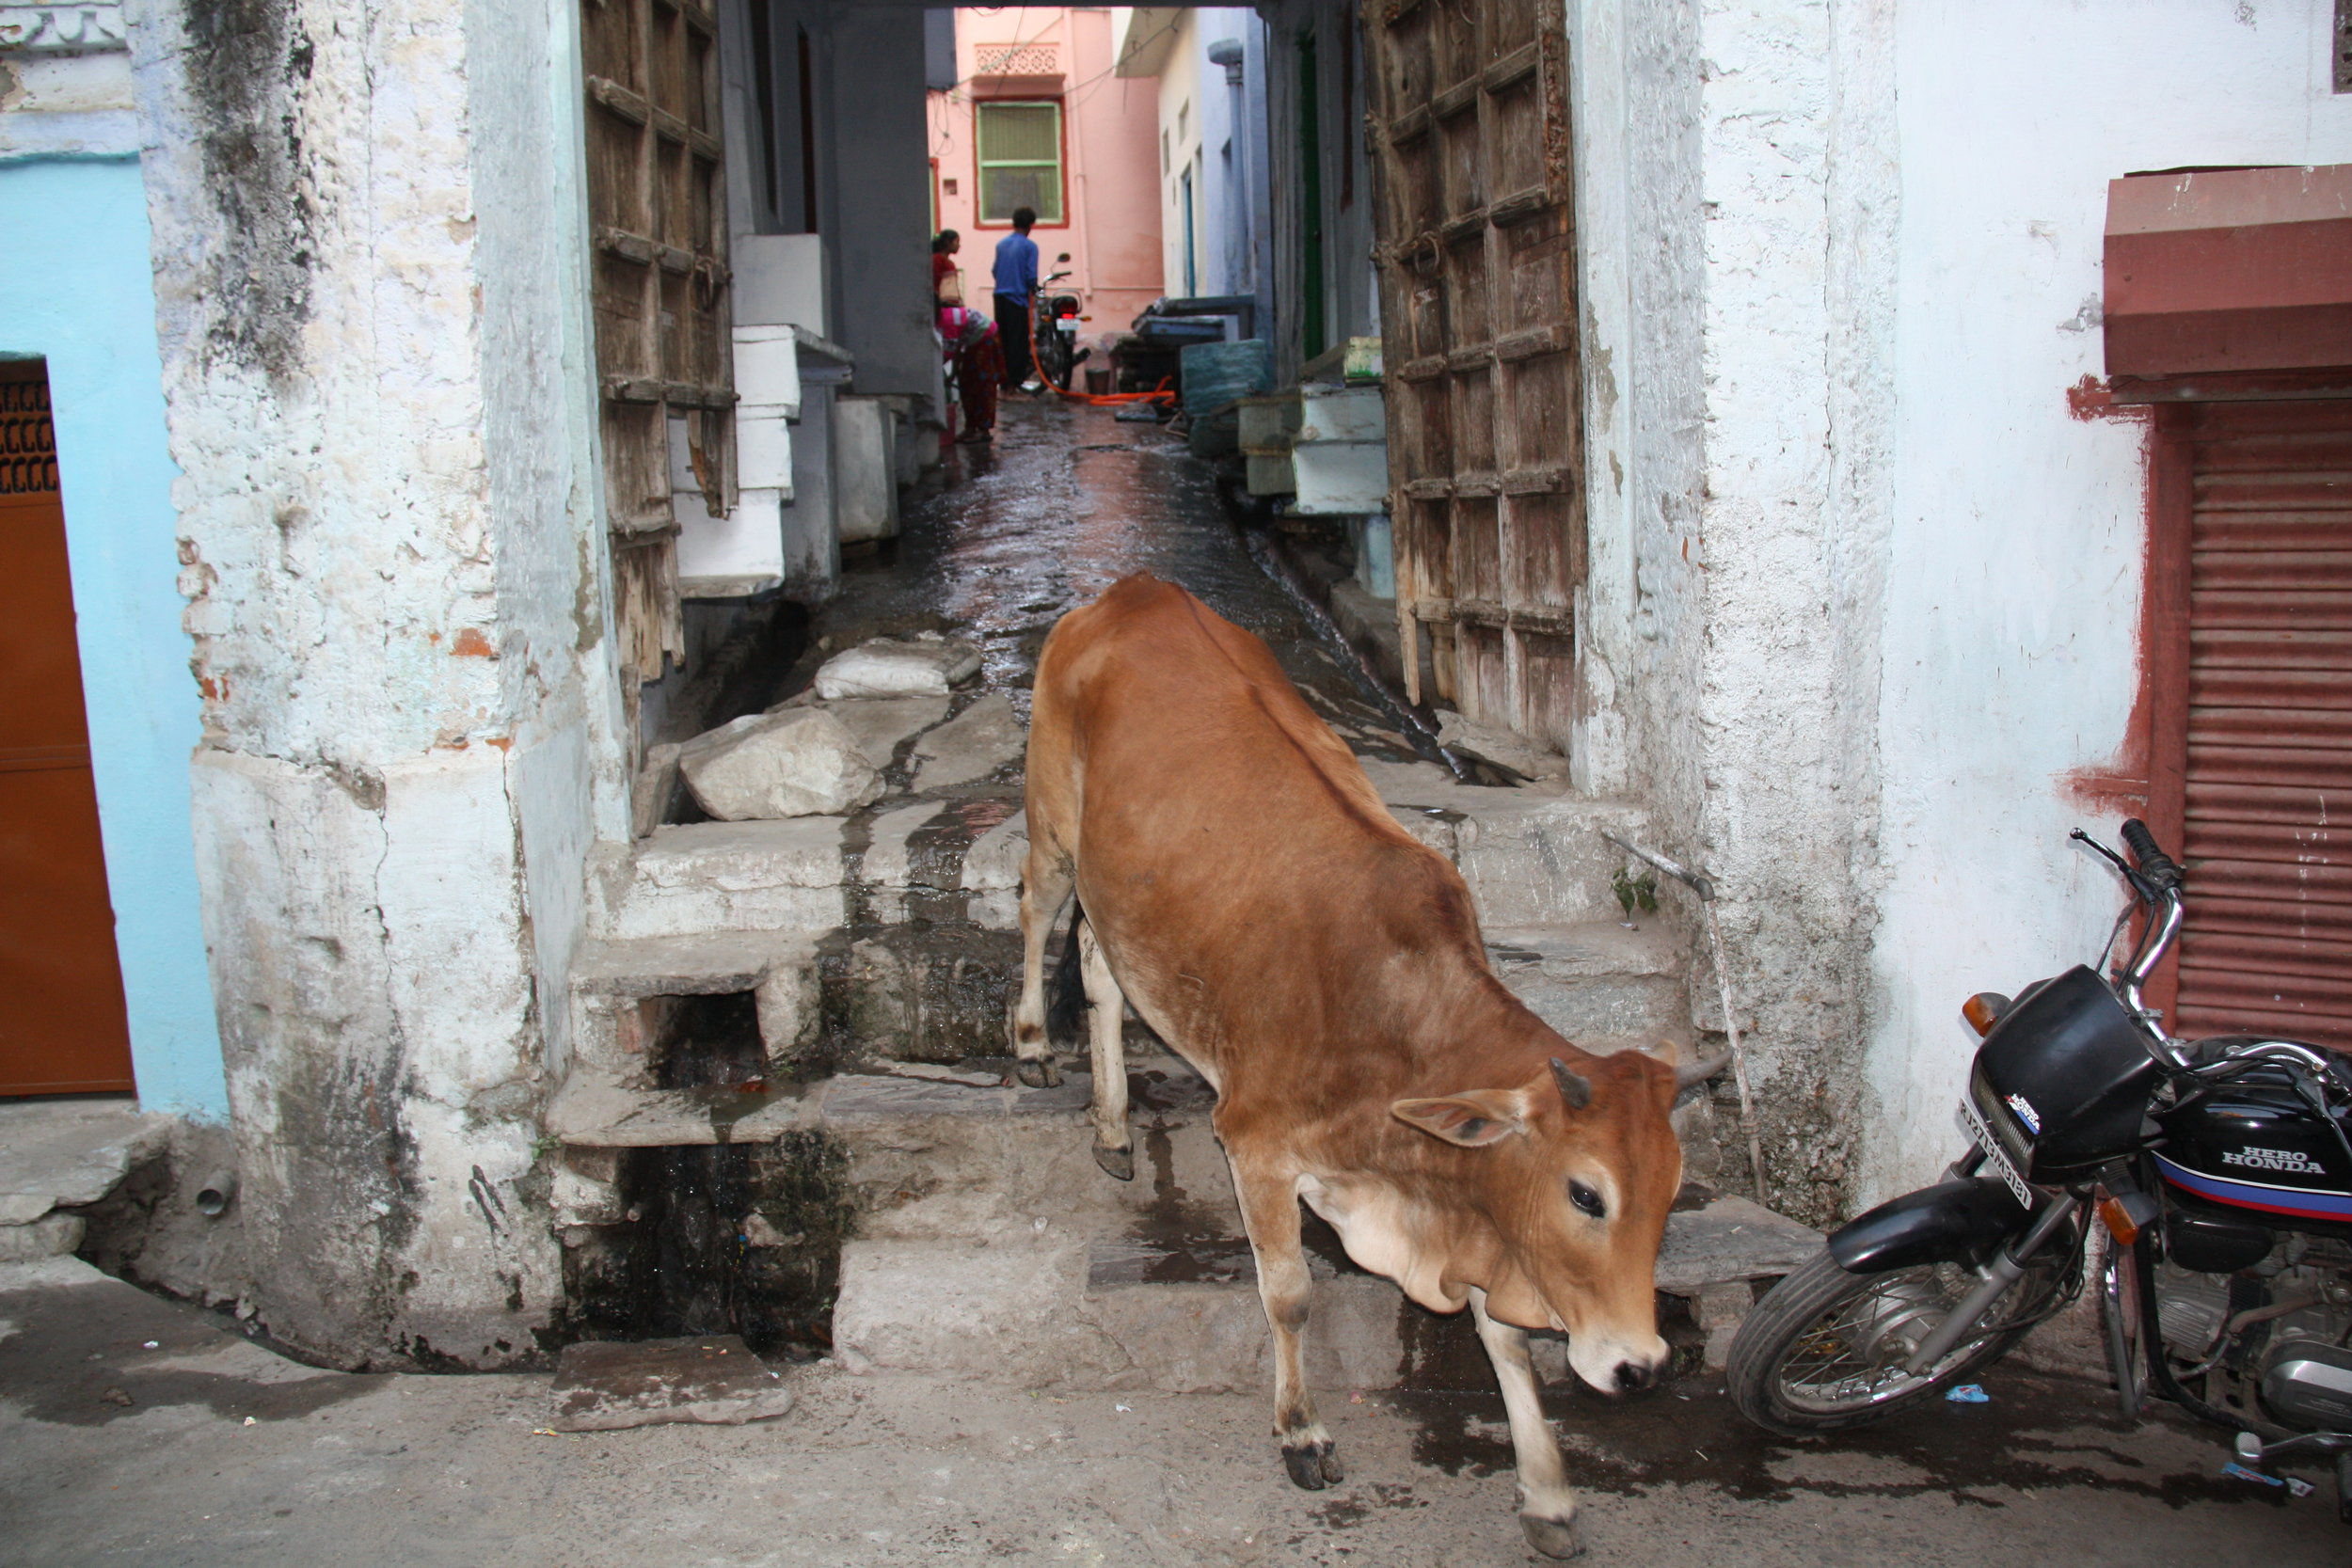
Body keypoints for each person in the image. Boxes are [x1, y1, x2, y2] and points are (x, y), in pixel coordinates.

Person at [938, 302, 1003, 443]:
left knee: (982, 385)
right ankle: (971, 427)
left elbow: (950, 353)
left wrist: (939, 373)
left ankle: (983, 430)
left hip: (986, 338)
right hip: (973, 341)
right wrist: (954, 373)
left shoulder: (948, 321)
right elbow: (955, 351)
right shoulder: (942, 319)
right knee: (966, 383)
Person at [991, 207, 1040, 393]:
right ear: (1030, 226)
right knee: (1018, 343)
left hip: (1000, 297)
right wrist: (1032, 288)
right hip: (1017, 299)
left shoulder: (1001, 244)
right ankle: (1014, 384)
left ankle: (1003, 383)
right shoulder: (1030, 246)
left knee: (1003, 341)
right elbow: (1030, 275)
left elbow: (995, 270)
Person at [931, 230, 961, 304]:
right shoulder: (937, 259)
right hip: (943, 304)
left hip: (951, 303)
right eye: (957, 242)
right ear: (948, 242)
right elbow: (936, 281)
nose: (959, 245)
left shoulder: (951, 263)